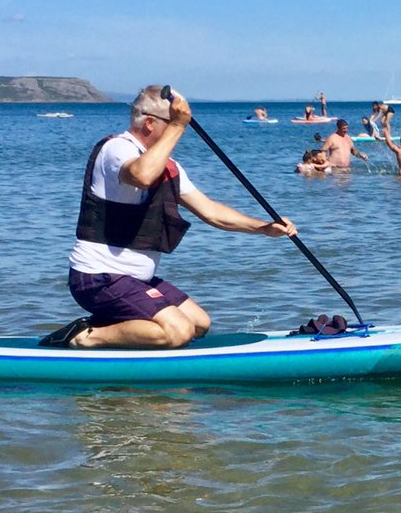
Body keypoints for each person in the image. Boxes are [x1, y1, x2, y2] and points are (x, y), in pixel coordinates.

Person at [44, 86, 298, 350]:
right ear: (150, 123)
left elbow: (210, 211)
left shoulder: (167, 166)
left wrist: (264, 227)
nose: (180, 131)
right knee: (179, 330)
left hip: (133, 279)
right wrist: (179, 125)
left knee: (199, 324)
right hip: (98, 276)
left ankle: (116, 328)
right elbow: (141, 177)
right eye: (174, 123)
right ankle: (85, 336)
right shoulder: (116, 149)